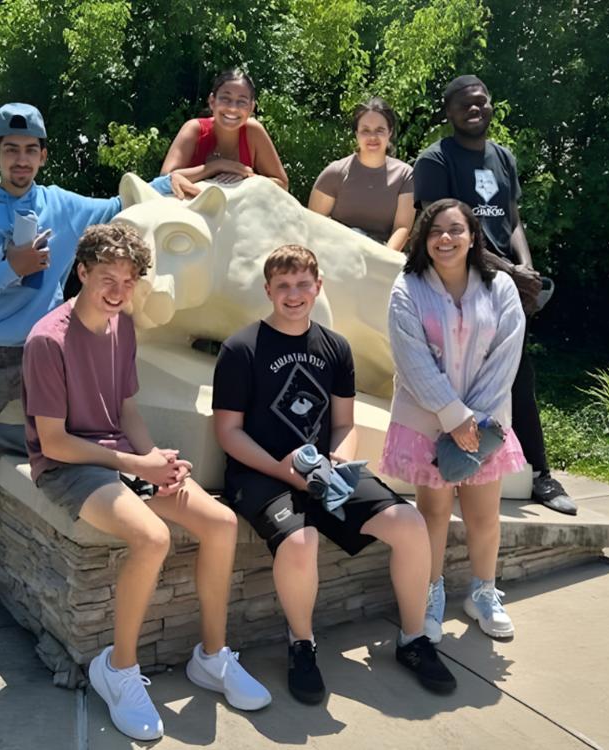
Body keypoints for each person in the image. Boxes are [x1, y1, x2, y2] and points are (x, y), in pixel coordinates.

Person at [0, 104, 184, 604]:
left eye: (30, 150)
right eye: (11, 150)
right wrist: (10, 269)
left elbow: (113, 209)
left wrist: (173, 182)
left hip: (48, 350)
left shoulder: (61, 204)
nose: (21, 160)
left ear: (43, 155)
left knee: (62, 438)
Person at [24, 224, 271, 740]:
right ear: (83, 272)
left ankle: (212, 656)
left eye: (129, 280)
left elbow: (127, 408)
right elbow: (54, 443)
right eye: (106, 278)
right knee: (153, 538)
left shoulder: (123, 327)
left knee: (222, 523)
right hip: (70, 468)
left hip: (119, 458)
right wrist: (139, 467)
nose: (117, 290)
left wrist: (153, 456)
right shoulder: (48, 340)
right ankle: (118, 669)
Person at [212, 245, 457, 704]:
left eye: (303, 284)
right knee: (300, 542)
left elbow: (343, 423)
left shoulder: (335, 347)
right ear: (268, 290)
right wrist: (285, 470)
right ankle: (302, 645)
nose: (293, 294)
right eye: (282, 285)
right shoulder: (241, 348)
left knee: (409, 524)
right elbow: (228, 432)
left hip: (323, 471)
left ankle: (413, 638)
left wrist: (340, 462)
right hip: (259, 472)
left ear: (318, 287)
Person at [412, 74, 578, 515]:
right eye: (464, 104)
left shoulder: (502, 157)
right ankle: (447, 464)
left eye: (481, 102)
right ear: (448, 112)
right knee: (453, 375)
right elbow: (440, 230)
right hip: (458, 282)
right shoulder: (435, 160)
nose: (475, 109)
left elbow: (512, 218)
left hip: (506, 284)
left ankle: (540, 474)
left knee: (517, 375)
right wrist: (506, 271)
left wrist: (524, 268)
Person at [381, 199, 527, 641]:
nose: (445, 239)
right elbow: (412, 361)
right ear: (424, 239)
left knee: (485, 515)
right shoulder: (407, 287)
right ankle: (430, 595)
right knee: (433, 513)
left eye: (455, 229)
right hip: (426, 421)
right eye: (435, 231)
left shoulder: (500, 287)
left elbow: (506, 355)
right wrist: (453, 416)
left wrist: (474, 423)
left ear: (472, 236)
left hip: (486, 424)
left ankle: (483, 593)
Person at [308, 97, 415, 250]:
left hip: (383, 255)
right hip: (338, 254)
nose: (372, 137)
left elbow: (402, 228)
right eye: (365, 130)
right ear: (356, 133)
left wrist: (381, 259)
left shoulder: (405, 175)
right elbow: (314, 223)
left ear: (390, 132)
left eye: (380, 130)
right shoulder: (335, 173)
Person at [161, 68, 288, 194]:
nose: (232, 108)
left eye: (242, 102)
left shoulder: (253, 131)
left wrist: (248, 178)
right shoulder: (194, 129)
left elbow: (282, 185)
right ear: (212, 101)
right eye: (225, 99)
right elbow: (165, 179)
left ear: (251, 107)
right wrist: (219, 166)